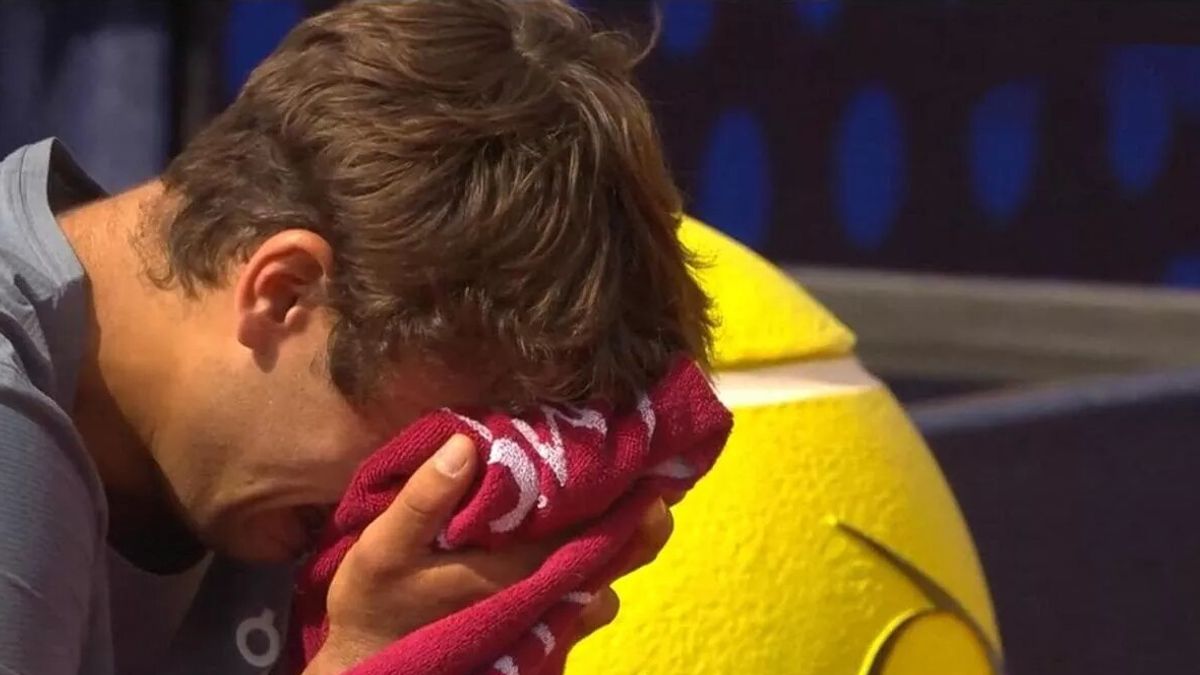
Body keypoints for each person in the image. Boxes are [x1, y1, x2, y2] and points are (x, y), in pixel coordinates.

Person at [0, 0, 714, 673]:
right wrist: (369, 655)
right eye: (422, 451)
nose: (388, 514)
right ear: (283, 292)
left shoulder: (240, 469)